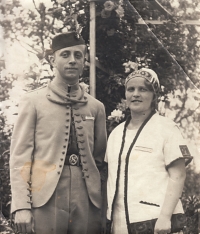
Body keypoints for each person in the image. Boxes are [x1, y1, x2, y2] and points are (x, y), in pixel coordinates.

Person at [10, 32, 107, 234]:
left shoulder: (96, 107)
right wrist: (21, 206)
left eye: (78, 55)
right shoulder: (33, 102)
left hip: (87, 199)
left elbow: (100, 161)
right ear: (53, 59)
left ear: (84, 61)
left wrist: (102, 206)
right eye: (65, 55)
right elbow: (20, 158)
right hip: (45, 197)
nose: (72, 60)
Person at [105, 68, 193, 234]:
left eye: (143, 89)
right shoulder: (116, 134)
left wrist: (165, 217)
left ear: (154, 96)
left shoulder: (167, 128)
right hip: (120, 224)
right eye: (131, 89)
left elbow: (178, 175)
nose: (136, 94)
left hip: (157, 223)